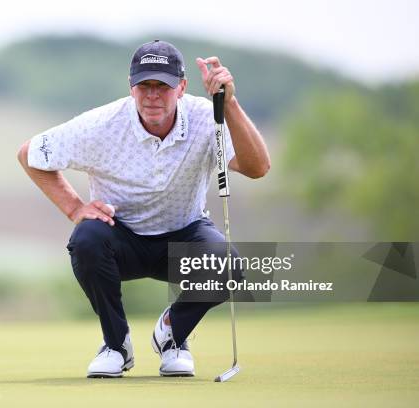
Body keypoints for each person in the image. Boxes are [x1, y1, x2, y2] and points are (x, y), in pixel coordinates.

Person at [17, 39, 270, 378]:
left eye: (162, 86)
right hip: (120, 239)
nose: (152, 95)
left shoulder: (205, 117)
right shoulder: (101, 124)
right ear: (131, 86)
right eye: (144, 85)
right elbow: (29, 154)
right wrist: (75, 207)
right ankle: (116, 345)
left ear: (181, 87)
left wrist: (230, 105)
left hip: (185, 234)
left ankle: (172, 334)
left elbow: (257, 167)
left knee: (227, 264)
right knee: (86, 238)